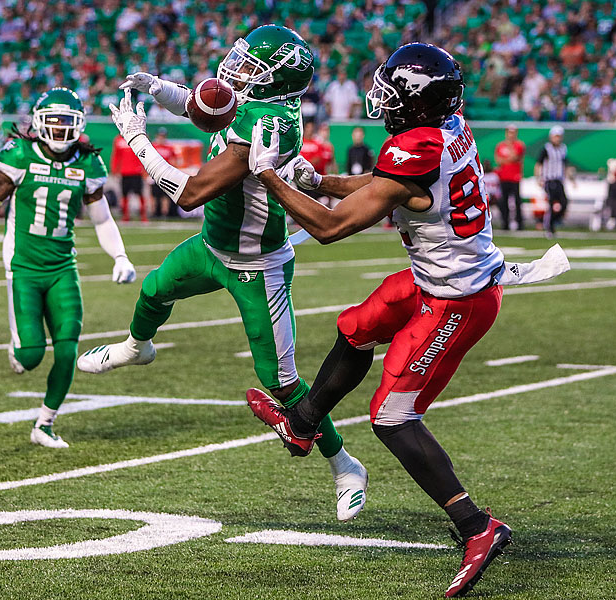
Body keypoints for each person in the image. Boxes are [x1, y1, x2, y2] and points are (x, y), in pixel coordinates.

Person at [244, 43, 567, 598]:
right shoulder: (446, 129)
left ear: (416, 103)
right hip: (436, 280)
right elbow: (389, 190)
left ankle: (476, 526)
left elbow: (330, 229)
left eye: (393, 90)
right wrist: (316, 181)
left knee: (391, 416)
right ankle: (302, 423)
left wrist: (272, 179)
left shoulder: (415, 146)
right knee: (357, 325)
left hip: (454, 300)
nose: (382, 98)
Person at [77, 25, 368, 522]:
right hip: (213, 246)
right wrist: (158, 88)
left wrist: (136, 139)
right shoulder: (254, 103)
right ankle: (136, 348)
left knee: (281, 380)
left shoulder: (269, 125)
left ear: (278, 82)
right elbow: (204, 104)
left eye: (253, 67)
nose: (237, 71)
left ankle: (345, 464)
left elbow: (189, 194)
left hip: (257, 267)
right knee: (152, 290)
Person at [0, 88, 136, 449]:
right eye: (55, 122)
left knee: (68, 349)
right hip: (24, 266)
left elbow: (102, 220)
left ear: (79, 125)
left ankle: (44, 424)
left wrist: (120, 256)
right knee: (30, 356)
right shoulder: (19, 154)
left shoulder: (88, 163)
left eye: (69, 122)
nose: (62, 130)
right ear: (38, 123)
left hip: (64, 265)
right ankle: (19, 350)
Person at [535, 125, 573, 237]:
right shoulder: (546, 149)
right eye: (556, 136)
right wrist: (538, 178)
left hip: (559, 180)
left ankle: (551, 222)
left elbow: (565, 165)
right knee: (551, 204)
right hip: (549, 180)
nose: (558, 139)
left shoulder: (563, 149)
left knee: (564, 202)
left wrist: (571, 179)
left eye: (559, 136)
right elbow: (539, 164)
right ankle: (549, 227)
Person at [494, 125, 525, 230]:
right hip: (504, 177)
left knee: (517, 201)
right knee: (504, 201)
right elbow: (498, 160)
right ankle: (505, 224)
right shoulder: (500, 145)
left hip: (515, 177)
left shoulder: (519, 145)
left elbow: (515, 156)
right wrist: (508, 159)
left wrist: (506, 158)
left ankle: (519, 224)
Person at [110, 133, 147, 222]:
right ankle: (125, 215)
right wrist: (114, 170)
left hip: (136, 172)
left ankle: (143, 216)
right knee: (124, 195)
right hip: (124, 172)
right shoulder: (118, 139)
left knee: (140, 194)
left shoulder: (138, 137)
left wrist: (145, 170)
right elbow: (116, 156)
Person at [150, 128, 179, 217]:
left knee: (164, 195)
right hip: (154, 173)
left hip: (165, 174)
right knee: (154, 195)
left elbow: (174, 160)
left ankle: (164, 213)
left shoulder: (169, 147)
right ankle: (154, 212)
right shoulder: (153, 146)